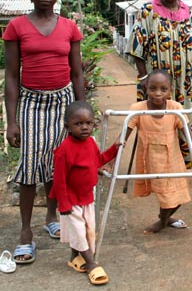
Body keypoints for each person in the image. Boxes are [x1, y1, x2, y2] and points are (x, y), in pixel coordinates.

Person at [3, 0, 84, 263]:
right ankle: (26, 232)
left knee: (57, 162)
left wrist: (81, 106)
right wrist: (12, 120)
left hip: (63, 102)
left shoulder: (69, 27)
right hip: (33, 102)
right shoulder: (17, 27)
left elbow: (77, 74)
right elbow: (12, 75)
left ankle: (52, 216)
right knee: (29, 164)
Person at [127, 0, 192, 172]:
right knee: (158, 121)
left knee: (187, 118)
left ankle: (190, 162)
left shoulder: (187, 11)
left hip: (186, 81)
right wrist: (145, 77)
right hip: (157, 83)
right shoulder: (148, 11)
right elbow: (137, 47)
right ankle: (159, 165)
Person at [50, 101, 120, 285]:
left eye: (88, 123)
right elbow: (59, 180)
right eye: (78, 124)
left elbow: (97, 161)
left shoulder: (90, 143)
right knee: (79, 232)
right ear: (68, 127)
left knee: (88, 229)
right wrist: (63, 203)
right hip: (71, 199)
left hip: (87, 197)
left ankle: (75, 257)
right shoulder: (64, 150)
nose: (84, 127)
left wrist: (115, 149)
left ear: (93, 124)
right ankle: (91, 263)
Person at [124, 70, 192, 234]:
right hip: (152, 161)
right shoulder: (138, 109)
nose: (158, 94)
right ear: (146, 88)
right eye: (153, 88)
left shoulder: (175, 108)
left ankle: (164, 219)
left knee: (179, 196)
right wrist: (110, 163)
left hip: (172, 162)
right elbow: (122, 138)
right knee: (166, 197)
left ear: (170, 90)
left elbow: (188, 135)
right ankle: (164, 220)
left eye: (163, 89)